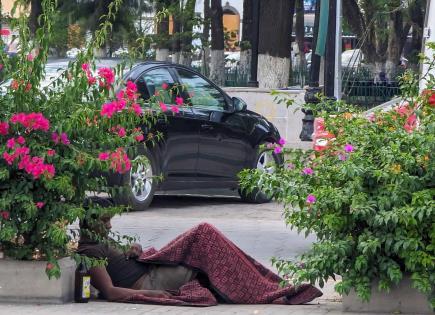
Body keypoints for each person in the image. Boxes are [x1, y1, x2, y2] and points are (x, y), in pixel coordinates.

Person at [77, 198, 322, 306]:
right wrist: (157, 294)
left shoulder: (101, 239)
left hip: (153, 267)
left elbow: (119, 259)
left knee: (212, 247)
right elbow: (110, 292)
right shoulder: (89, 250)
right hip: (151, 279)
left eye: (110, 220)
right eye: (105, 221)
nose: (109, 225)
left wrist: (131, 249)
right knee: (205, 237)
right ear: (90, 221)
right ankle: (271, 289)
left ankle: (270, 286)